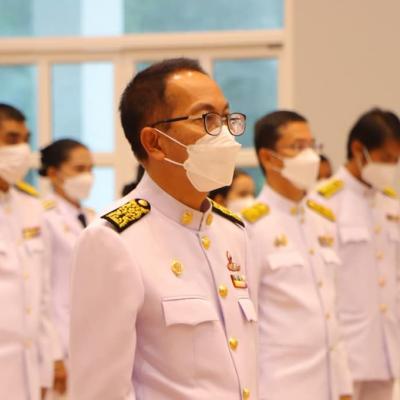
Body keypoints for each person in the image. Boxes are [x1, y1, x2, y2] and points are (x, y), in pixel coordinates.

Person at [69, 58, 258, 400]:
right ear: (155, 142)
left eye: (226, 117)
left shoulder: (233, 231)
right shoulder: (113, 240)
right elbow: (100, 391)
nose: (226, 134)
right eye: (206, 119)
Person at [243, 110, 352, 400]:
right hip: (281, 385)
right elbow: (246, 323)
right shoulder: (250, 227)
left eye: (312, 145)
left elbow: (333, 308)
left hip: (331, 382)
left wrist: (344, 384)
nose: (310, 156)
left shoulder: (323, 219)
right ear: (268, 158)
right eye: (297, 147)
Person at [312, 108, 400, 400]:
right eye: (386, 158)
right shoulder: (323, 202)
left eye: (396, 160)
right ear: (358, 149)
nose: (391, 166)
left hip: (386, 346)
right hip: (345, 346)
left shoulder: (390, 204)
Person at [0, 103, 62, 400]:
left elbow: (43, 294)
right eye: (12, 139)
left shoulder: (31, 207)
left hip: (27, 369)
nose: (22, 149)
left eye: (26, 140)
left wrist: (48, 363)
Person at [39, 138, 95, 398]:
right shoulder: (43, 217)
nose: (88, 176)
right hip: (61, 339)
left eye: (90, 169)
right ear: (54, 173)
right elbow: (41, 290)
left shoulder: (92, 217)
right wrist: (53, 356)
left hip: (92, 337)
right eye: (79, 169)